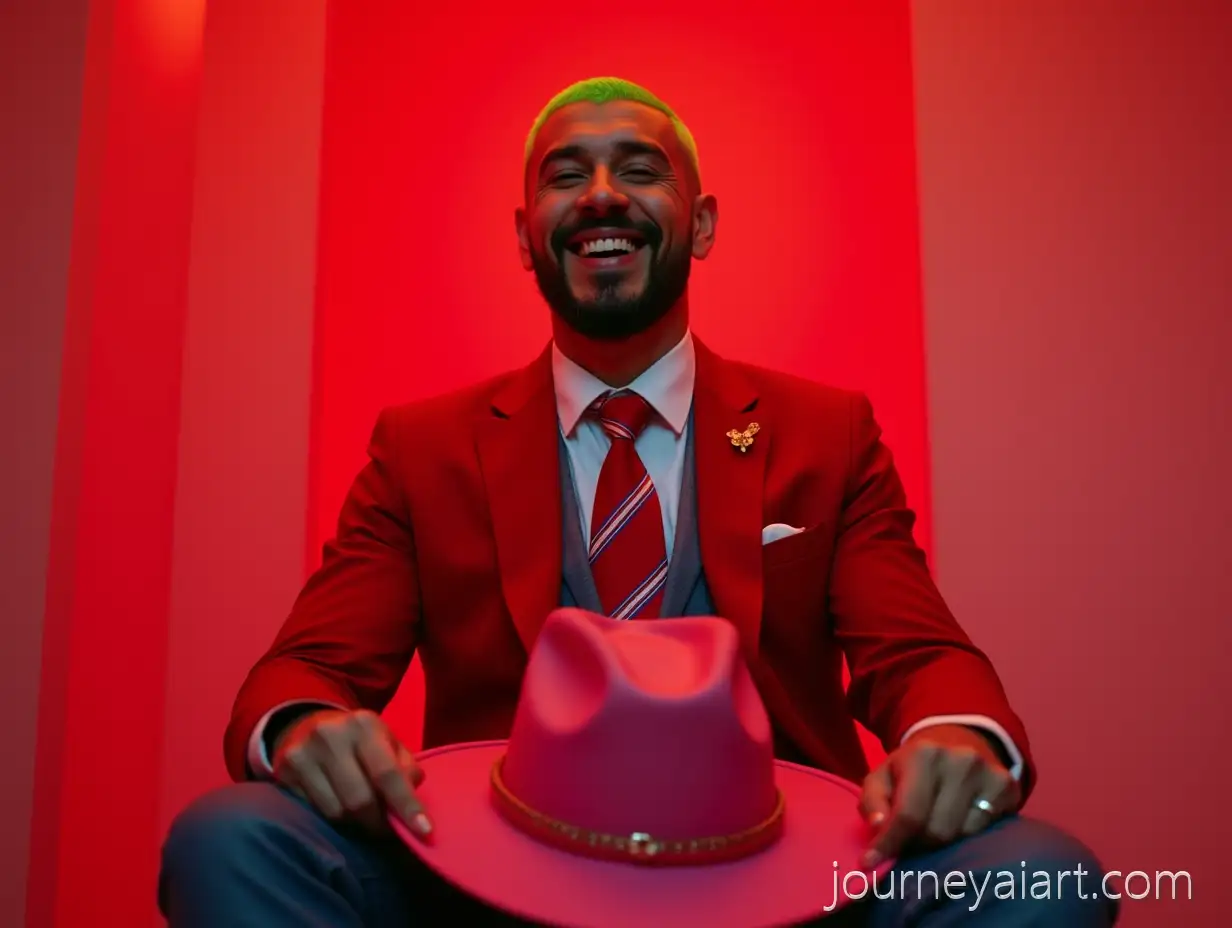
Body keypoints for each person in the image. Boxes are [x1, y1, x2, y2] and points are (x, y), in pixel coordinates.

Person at [158, 77, 1115, 926]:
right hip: (492, 889)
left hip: (776, 880)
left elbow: (920, 653)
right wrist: (304, 727)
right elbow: (306, 669)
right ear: (526, 233)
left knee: (1040, 877)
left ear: (698, 223)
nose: (602, 195)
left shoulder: (830, 432)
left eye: (638, 170)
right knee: (231, 837)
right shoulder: (423, 447)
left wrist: (952, 734)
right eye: (565, 175)